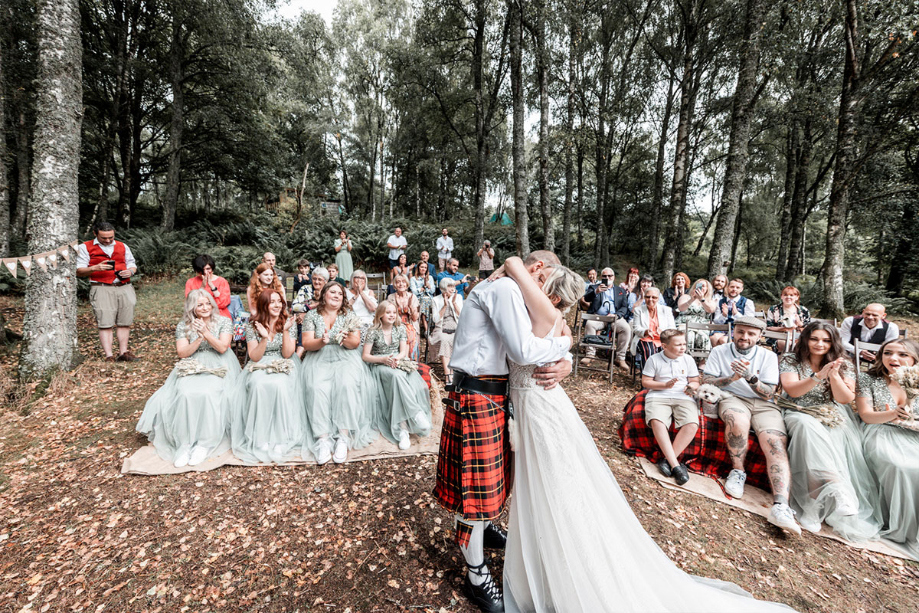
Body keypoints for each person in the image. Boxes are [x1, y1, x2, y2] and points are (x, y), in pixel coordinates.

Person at [492, 259, 795, 613]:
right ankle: (543, 553)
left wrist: (510, 267)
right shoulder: (547, 315)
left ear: (554, 295)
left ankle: (566, 568)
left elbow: (528, 343)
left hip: (540, 409)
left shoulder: (541, 312)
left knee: (553, 483)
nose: (533, 281)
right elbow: (552, 339)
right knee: (543, 482)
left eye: (540, 278)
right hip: (538, 405)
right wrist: (566, 355)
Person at [433, 251, 574, 613]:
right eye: (546, 284)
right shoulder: (506, 290)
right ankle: (476, 576)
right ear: (537, 269)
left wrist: (565, 360)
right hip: (477, 395)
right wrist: (567, 345)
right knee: (474, 488)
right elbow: (524, 350)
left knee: (493, 480)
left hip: (495, 395)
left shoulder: (516, 292)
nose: (543, 294)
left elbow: (539, 334)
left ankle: (486, 529)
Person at [779, 322, 882, 539]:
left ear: (833, 343)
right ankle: (834, 490)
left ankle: (816, 506)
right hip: (799, 410)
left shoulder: (844, 365)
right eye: (814, 338)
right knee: (808, 429)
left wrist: (834, 376)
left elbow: (845, 399)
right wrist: (817, 376)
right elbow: (792, 391)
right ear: (805, 339)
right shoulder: (791, 360)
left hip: (831, 412)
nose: (819, 344)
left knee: (835, 435)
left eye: (826, 340)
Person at [701, 316, 800, 534]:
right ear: (733, 332)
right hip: (732, 397)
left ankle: (781, 505)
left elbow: (769, 392)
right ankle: (738, 472)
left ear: (759, 337)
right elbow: (706, 381)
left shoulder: (768, 356)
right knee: (737, 421)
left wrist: (750, 378)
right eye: (741, 332)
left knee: (774, 442)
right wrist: (732, 378)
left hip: (763, 404)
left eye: (751, 334)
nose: (744, 337)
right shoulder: (720, 351)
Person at [137, 290, 240, 467]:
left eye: (208, 303)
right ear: (193, 307)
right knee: (185, 393)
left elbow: (223, 347)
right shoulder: (183, 325)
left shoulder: (224, 321)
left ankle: (204, 443)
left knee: (209, 393)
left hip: (220, 364)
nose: (205, 307)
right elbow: (182, 353)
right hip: (192, 364)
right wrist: (198, 339)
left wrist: (206, 333)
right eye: (200, 305)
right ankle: (185, 443)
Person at [300, 283, 379, 464]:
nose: (336, 296)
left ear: (344, 298)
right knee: (316, 388)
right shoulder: (312, 315)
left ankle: (343, 436)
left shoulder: (349, 315)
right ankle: (323, 439)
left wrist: (346, 338)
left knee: (346, 385)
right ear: (324, 294)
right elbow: (306, 343)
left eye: (340, 294)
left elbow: (355, 342)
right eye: (332, 292)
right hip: (318, 357)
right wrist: (321, 341)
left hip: (345, 357)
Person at [855, 338, 919, 560]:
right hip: (879, 431)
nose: (894, 358)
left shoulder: (917, 382)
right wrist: (893, 414)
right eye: (888, 353)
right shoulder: (868, 379)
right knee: (899, 466)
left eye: (902, 354)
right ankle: (897, 526)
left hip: (913, 436)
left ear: (914, 359)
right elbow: (866, 415)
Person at [230, 289, 304, 464]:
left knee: (279, 385)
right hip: (260, 362)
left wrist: (285, 331)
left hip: (283, 362)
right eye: (272, 302)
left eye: (279, 301)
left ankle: (280, 437)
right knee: (257, 384)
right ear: (264, 304)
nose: (277, 305)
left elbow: (287, 354)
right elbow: (254, 356)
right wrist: (264, 338)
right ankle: (260, 435)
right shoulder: (252, 325)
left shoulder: (288, 322)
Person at [362, 302, 432, 450]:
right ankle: (415, 413)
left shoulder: (400, 328)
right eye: (388, 312)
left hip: (397, 363)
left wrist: (397, 359)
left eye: (394, 312)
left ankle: (403, 429)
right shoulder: (373, 331)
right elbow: (366, 356)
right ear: (380, 314)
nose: (392, 315)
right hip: (379, 365)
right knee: (397, 377)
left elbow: (403, 352)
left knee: (400, 377)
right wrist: (382, 359)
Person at [641, 329, 700, 485]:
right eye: (678, 345)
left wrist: (691, 386)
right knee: (657, 421)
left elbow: (695, 380)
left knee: (692, 424)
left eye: (684, 344)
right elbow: (646, 382)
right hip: (659, 395)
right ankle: (675, 466)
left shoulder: (688, 359)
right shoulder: (654, 360)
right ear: (664, 346)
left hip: (683, 396)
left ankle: (666, 461)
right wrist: (664, 385)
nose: (683, 348)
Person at [76, 221, 139, 362]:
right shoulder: (84, 247)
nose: (108, 240)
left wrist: (130, 272)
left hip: (124, 287)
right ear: (95, 234)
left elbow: (132, 264)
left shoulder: (122, 246)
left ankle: (124, 353)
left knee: (125, 321)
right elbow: (79, 270)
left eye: (111, 237)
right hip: (101, 287)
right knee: (105, 322)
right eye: (104, 238)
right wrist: (94, 268)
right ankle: (109, 356)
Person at [580, 267, 631, 370]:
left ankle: (620, 358)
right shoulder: (594, 287)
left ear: (614, 277)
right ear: (601, 277)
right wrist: (596, 291)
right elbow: (586, 298)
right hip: (598, 317)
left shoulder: (620, 290)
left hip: (614, 317)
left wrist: (617, 315)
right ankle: (590, 354)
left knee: (626, 328)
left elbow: (624, 307)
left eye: (609, 276)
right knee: (590, 324)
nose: (607, 278)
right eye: (604, 276)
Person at [430, 277, 464, 384]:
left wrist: (453, 303)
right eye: (449, 286)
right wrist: (445, 305)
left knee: (456, 339)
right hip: (441, 327)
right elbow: (435, 320)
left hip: (456, 327)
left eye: (453, 286)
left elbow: (463, 316)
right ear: (443, 288)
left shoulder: (458, 297)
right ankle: (448, 374)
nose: (452, 288)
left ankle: (453, 372)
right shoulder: (435, 300)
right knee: (444, 340)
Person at [630, 286, 675, 364]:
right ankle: (647, 374)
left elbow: (672, 328)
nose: (650, 299)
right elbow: (636, 329)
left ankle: (663, 375)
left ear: (658, 298)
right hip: (644, 338)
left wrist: (664, 332)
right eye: (648, 297)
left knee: (667, 351)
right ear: (644, 297)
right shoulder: (638, 310)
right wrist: (645, 332)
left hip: (662, 339)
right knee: (649, 349)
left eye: (654, 297)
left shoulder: (666, 310)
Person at [711, 278, 755, 347]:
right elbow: (716, 321)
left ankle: (728, 356)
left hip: (739, 329)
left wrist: (736, 314)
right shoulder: (720, 301)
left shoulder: (747, 302)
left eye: (737, 287)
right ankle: (717, 356)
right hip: (723, 328)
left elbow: (750, 321)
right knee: (713, 338)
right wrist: (723, 315)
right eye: (732, 287)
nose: (734, 289)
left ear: (741, 289)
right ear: (727, 287)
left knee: (723, 340)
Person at [675, 278, 717, 352]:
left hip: (701, 326)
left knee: (702, 337)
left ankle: (702, 361)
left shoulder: (710, 300)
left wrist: (702, 299)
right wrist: (692, 299)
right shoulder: (685, 297)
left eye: (703, 286)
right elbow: (681, 308)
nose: (701, 288)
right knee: (689, 335)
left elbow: (710, 310)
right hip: (684, 324)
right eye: (699, 285)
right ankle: (686, 357)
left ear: (707, 288)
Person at [765, 286, 811, 352]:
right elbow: (769, 327)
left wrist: (800, 324)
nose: (788, 297)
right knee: (789, 344)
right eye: (785, 295)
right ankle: (782, 361)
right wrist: (785, 329)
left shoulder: (803, 310)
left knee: (802, 345)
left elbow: (809, 329)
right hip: (778, 337)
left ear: (797, 297)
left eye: (791, 295)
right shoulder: (774, 309)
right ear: (781, 296)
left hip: (798, 337)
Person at [185, 254, 231, 319]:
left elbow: (223, 303)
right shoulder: (190, 282)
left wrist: (212, 286)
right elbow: (191, 303)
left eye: (208, 269)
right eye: (201, 270)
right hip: (198, 316)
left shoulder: (222, 281)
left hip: (219, 315)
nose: (205, 272)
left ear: (212, 268)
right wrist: (202, 287)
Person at [387, 274, 420, 360]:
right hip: (395, 324)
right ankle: (403, 359)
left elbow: (415, 318)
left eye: (403, 282)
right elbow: (387, 315)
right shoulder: (391, 297)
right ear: (395, 285)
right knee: (402, 332)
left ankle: (408, 360)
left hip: (410, 323)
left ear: (407, 284)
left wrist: (412, 309)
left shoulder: (412, 297)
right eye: (398, 282)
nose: (401, 284)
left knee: (409, 333)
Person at [410, 260, 436, 335]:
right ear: (418, 268)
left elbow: (433, 291)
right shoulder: (413, 279)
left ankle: (426, 328)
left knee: (426, 300)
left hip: (428, 298)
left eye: (425, 267)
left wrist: (429, 287)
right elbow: (414, 292)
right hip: (417, 299)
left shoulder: (430, 278)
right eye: (422, 267)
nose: (423, 269)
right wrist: (421, 289)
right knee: (424, 301)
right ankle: (426, 329)